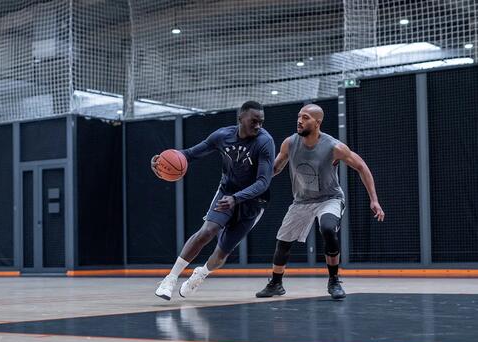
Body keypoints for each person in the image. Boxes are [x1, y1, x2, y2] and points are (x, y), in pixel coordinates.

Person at [255, 104, 384, 300]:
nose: (300, 120)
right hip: (301, 201)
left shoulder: (334, 147)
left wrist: (374, 200)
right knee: (283, 242)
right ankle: (276, 283)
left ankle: (334, 280)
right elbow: (276, 167)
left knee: (328, 228)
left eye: (305, 117)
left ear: (317, 122)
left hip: (329, 198)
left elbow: (361, 166)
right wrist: (256, 183)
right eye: (299, 116)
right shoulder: (290, 143)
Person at [152, 101, 275, 300]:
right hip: (226, 192)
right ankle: (170, 279)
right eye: (254, 121)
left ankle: (200, 274)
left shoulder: (264, 142)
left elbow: (263, 182)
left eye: (261, 122)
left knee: (220, 253)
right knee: (207, 231)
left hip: (253, 201)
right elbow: (189, 154)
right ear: (241, 118)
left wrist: (237, 198)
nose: (258, 126)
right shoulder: (222, 136)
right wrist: (163, 161)